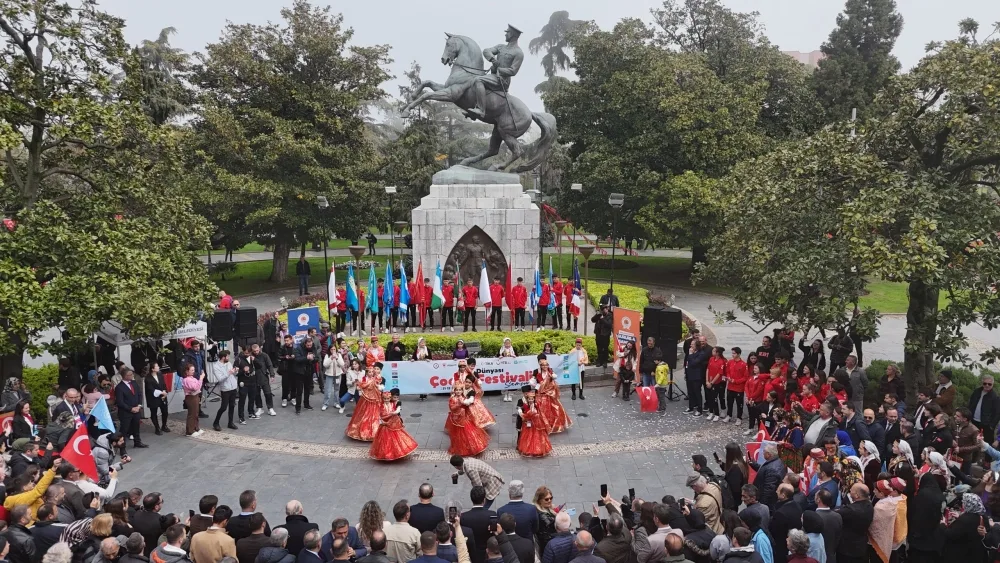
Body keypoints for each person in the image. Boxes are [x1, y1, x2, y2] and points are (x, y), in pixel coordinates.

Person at [370, 389, 418, 461]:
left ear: (390, 398)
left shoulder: (393, 404)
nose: (386, 400)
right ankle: (386, 454)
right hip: (384, 424)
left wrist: (394, 413)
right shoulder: (381, 405)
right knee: (384, 441)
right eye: (385, 399)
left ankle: (395, 452)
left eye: (388, 398)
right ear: (383, 398)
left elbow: (397, 410)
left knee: (396, 438)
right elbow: (378, 413)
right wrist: (380, 420)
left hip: (392, 424)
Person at [445, 381, 490, 456]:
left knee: (469, 434)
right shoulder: (452, 398)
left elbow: (467, 406)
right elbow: (451, 408)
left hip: (464, 418)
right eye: (457, 390)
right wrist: (459, 404)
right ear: (454, 390)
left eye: (460, 390)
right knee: (458, 435)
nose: (458, 391)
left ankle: (471, 448)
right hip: (456, 420)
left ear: (462, 390)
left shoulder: (463, 397)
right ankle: (460, 449)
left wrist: (466, 404)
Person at [944, 493, 988, 563]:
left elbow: (950, 534)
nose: (962, 504)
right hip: (977, 554)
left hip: (962, 555)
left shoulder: (964, 520)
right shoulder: (983, 517)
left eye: (964, 502)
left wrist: (943, 524)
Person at [834, 484, 873, 563]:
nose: (850, 491)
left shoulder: (851, 510)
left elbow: (836, 514)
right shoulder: (870, 506)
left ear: (857, 495)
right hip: (861, 547)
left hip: (847, 549)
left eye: (851, 490)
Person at [534, 354, 572, 433]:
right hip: (541, 394)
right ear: (538, 362)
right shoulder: (536, 371)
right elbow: (534, 382)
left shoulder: (550, 370)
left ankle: (553, 425)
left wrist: (553, 377)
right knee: (541, 410)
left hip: (550, 394)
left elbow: (553, 379)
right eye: (541, 361)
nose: (543, 363)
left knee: (554, 409)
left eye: (544, 360)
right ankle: (543, 425)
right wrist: (538, 386)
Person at [347, 364, 385, 442]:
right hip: (365, 399)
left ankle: (375, 431)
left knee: (375, 414)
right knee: (363, 414)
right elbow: (360, 386)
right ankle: (363, 431)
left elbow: (379, 385)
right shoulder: (364, 379)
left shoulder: (376, 378)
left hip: (375, 398)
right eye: (369, 372)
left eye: (372, 372)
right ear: (367, 373)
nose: (371, 373)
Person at [767, 485, 802, 563]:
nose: (776, 491)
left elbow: (773, 530)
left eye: (778, 490)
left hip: (781, 547)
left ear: (783, 495)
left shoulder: (780, 513)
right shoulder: (797, 505)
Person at [114, 368, 147, 449]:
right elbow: (120, 402)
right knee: (124, 430)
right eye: (131, 375)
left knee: (136, 427)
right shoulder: (119, 387)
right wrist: (130, 408)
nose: (132, 376)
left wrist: (139, 406)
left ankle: (137, 442)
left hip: (136, 409)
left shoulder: (134, 383)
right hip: (126, 412)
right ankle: (122, 446)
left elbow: (139, 394)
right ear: (125, 376)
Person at [517, 387, 552, 457]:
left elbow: (539, 410)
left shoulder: (535, 402)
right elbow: (519, 409)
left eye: (528, 393)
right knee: (521, 433)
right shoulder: (521, 401)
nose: (527, 394)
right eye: (525, 393)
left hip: (535, 422)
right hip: (525, 420)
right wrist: (523, 415)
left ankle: (537, 449)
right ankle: (520, 445)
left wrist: (535, 414)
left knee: (536, 435)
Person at [751, 444, 786, 510]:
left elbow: (768, 489)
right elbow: (764, 471)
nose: (763, 453)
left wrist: (760, 505)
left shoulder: (772, 469)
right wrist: (753, 464)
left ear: (769, 454)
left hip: (766, 502)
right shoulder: (776, 461)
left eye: (764, 452)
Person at [968, 375, 1000, 443]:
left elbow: (997, 413)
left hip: (986, 425)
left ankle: (987, 453)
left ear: (992, 384)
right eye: (985, 383)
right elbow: (970, 404)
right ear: (982, 383)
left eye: (989, 384)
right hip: (974, 421)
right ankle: (975, 452)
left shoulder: (994, 396)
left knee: (987, 442)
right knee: (974, 440)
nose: (987, 385)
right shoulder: (977, 391)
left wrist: (992, 426)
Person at [685, 337, 710, 417]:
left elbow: (694, 363)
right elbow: (687, 362)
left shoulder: (701, 354)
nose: (691, 346)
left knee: (697, 392)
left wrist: (691, 355)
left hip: (697, 375)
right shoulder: (690, 352)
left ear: (696, 346)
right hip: (690, 374)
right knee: (690, 392)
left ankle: (699, 409)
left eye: (692, 345)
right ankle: (691, 406)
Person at [181, 363, 204, 437]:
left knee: (196, 413)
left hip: (196, 396)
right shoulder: (186, 380)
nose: (193, 371)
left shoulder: (193, 378)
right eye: (191, 370)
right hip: (191, 397)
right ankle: (189, 431)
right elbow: (196, 387)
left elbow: (198, 386)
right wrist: (201, 379)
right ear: (187, 371)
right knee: (192, 414)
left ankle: (196, 427)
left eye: (193, 370)